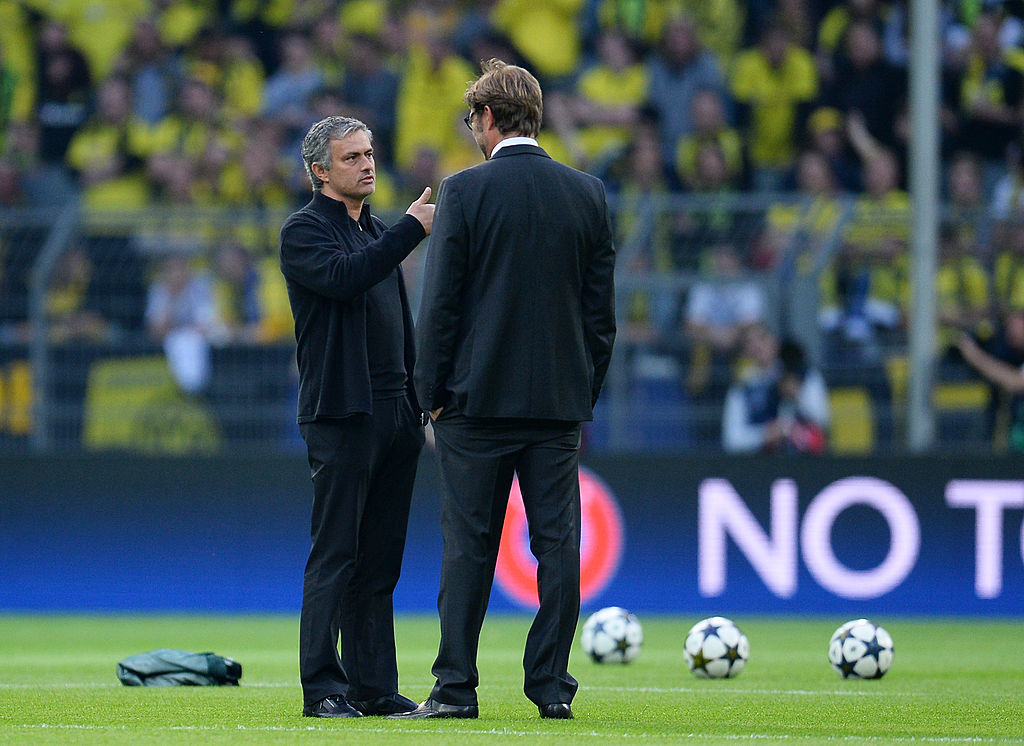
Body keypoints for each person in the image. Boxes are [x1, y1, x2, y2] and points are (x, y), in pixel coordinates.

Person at [399, 60, 615, 720]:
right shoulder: (587, 194)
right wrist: (580, 393)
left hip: (474, 404)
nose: (472, 129)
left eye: (473, 118)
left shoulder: (464, 192)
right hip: (555, 407)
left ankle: (455, 689)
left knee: (469, 547)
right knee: (558, 546)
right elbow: (599, 317)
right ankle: (550, 687)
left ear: (488, 118)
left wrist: (429, 397)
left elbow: (440, 305)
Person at [278, 115, 434, 718]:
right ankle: (322, 687)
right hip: (342, 411)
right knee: (336, 553)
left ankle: (373, 687)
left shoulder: (373, 229)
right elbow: (345, 281)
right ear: (319, 171)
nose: (367, 164)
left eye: (369, 153)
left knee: (380, 559)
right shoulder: (304, 231)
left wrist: (417, 399)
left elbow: (399, 323)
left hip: (395, 410)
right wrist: (410, 231)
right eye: (351, 157)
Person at [722, 324, 829, 454]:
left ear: (775, 341)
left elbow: (822, 421)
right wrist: (764, 435)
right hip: (762, 460)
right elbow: (732, 439)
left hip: (805, 458)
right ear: (745, 351)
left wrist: (798, 395)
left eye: (762, 338)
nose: (758, 346)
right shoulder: (742, 386)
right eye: (749, 342)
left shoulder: (805, 375)